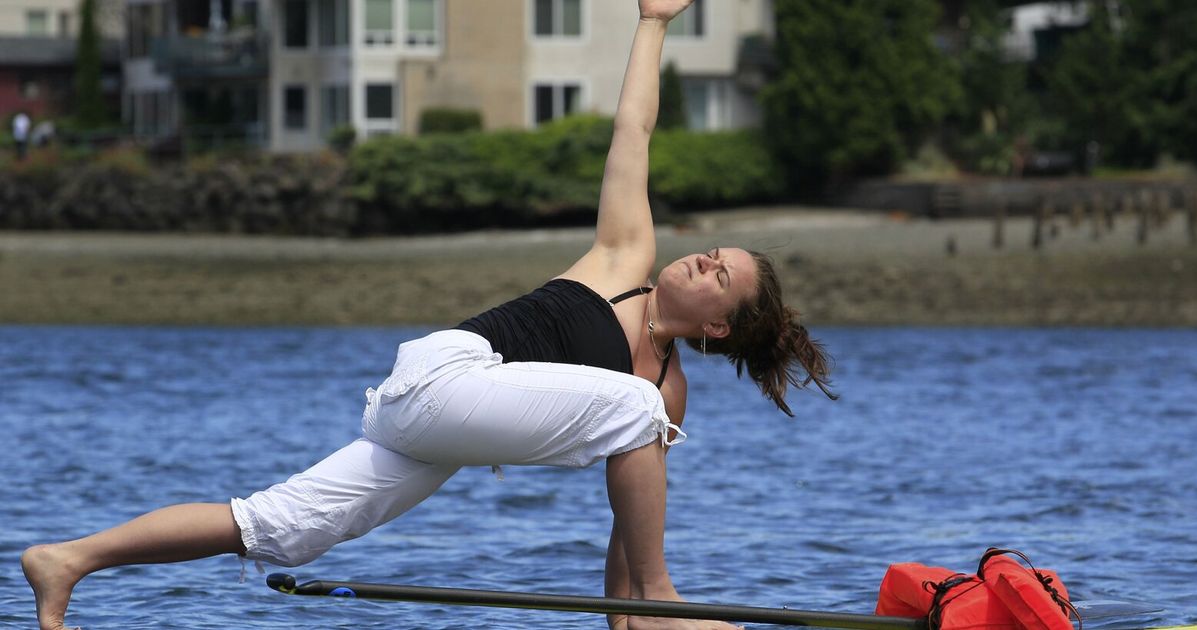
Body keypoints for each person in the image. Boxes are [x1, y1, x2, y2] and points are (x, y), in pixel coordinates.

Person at [21, 2, 835, 629]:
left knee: (280, 527)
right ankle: (670, 605)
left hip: (437, 431)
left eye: (718, 273)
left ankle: (68, 559)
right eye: (711, 251)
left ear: (719, 324)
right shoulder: (624, 257)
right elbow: (636, 128)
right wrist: (654, 20)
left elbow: (628, 528)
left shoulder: (666, 390)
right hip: (444, 375)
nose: (700, 258)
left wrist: (629, 617)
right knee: (635, 408)